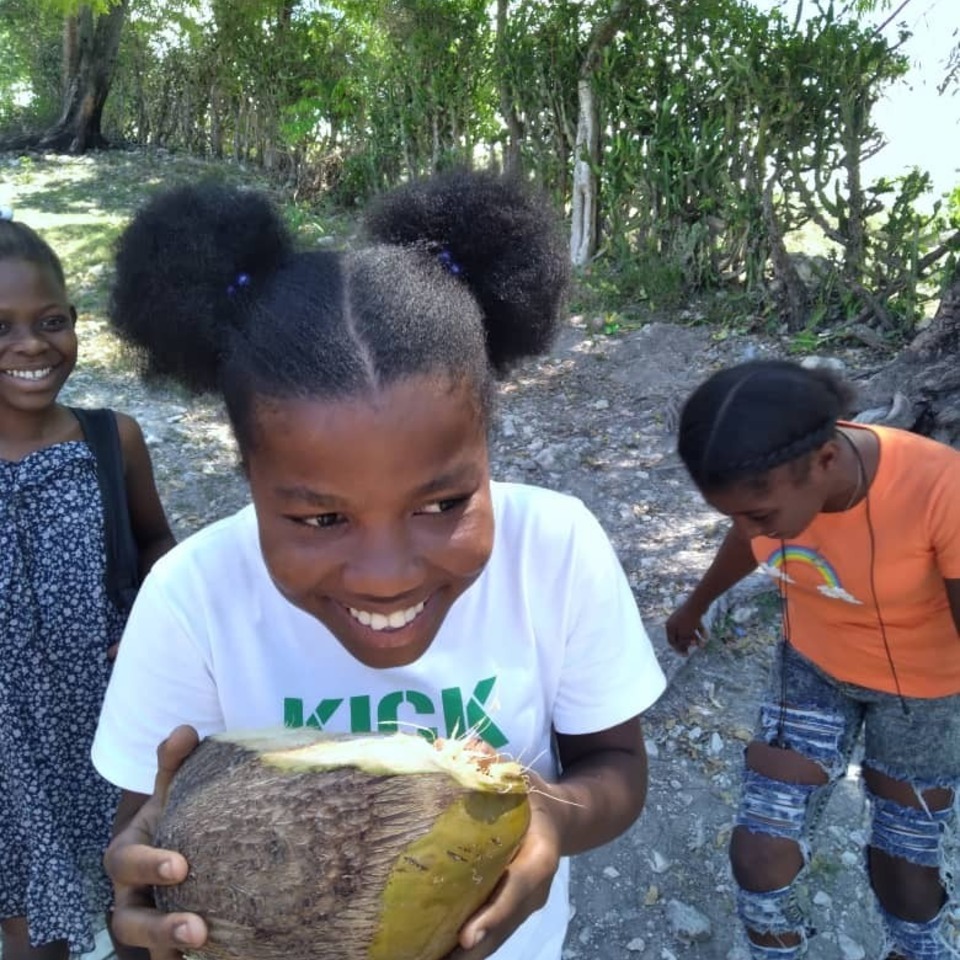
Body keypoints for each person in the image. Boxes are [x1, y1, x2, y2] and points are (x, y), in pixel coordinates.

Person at [92, 170, 667, 960]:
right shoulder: (192, 598)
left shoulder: (557, 549)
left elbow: (615, 765)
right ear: (249, 479)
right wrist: (147, 907)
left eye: (443, 504)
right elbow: (146, 847)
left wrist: (553, 816)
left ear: (486, 452)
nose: (388, 574)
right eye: (322, 518)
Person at [666, 358, 960, 960]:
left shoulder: (941, 490)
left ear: (825, 460)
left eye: (760, 516)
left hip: (926, 695)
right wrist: (695, 604)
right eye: (732, 515)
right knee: (759, 854)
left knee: (904, 863)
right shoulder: (768, 496)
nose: (748, 529)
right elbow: (745, 538)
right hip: (812, 668)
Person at [0, 214, 176, 960]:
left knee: (135, 906)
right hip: (8, 744)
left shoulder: (111, 440)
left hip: (103, 725)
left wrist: (154, 622)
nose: (31, 346)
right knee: (33, 935)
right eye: (1, 327)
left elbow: (157, 545)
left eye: (51, 321)